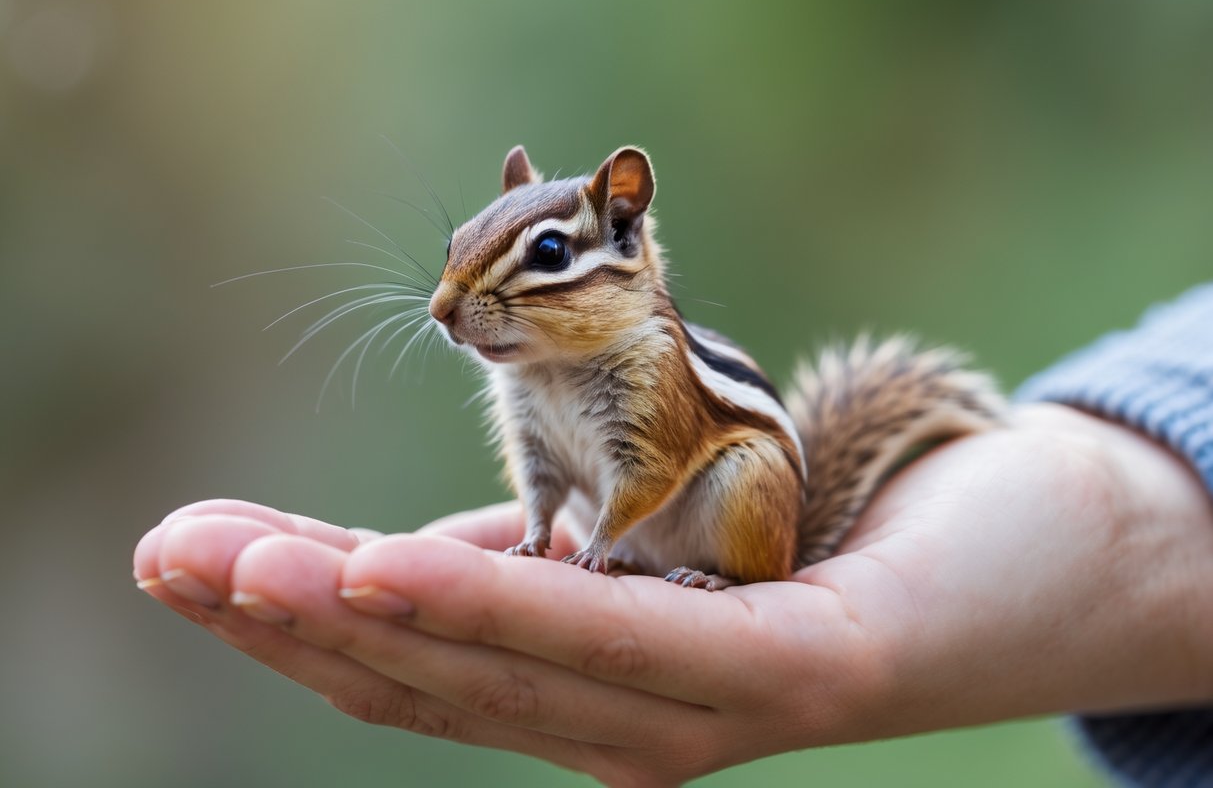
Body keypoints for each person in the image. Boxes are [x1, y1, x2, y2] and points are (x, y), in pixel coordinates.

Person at [134, 285, 1213, 787]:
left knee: (725, 466)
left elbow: (651, 463)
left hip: (721, 503)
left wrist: (1118, 511)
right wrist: (547, 529)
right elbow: (543, 474)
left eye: (540, 260)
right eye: (462, 277)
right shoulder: (529, 380)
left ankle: (723, 565)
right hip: (636, 535)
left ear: (623, 247)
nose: (459, 307)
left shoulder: (644, 361)